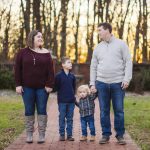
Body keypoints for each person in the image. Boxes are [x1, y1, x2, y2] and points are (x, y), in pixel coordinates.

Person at [90, 22, 132, 145]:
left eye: (100, 30)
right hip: (101, 83)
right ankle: (105, 134)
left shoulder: (121, 44)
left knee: (119, 110)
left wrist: (126, 79)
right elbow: (93, 66)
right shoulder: (98, 47)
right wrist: (92, 83)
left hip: (118, 83)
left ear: (107, 30)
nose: (98, 33)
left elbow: (128, 62)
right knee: (104, 111)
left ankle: (120, 135)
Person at [15, 30, 54, 143]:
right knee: (29, 109)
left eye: (42, 37)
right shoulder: (22, 52)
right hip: (27, 88)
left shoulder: (46, 53)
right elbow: (17, 69)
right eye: (38, 37)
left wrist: (49, 84)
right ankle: (29, 134)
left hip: (42, 88)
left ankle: (42, 134)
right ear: (32, 38)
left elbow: (51, 71)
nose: (41, 38)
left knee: (42, 109)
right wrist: (18, 85)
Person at [54, 57, 76, 141]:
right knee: (62, 118)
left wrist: (74, 99)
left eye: (71, 62)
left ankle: (69, 135)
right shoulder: (58, 76)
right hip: (62, 101)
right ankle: (62, 135)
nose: (71, 64)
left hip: (71, 102)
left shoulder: (72, 76)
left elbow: (73, 88)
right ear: (63, 64)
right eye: (68, 62)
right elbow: (56, 88)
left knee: (70, 119)